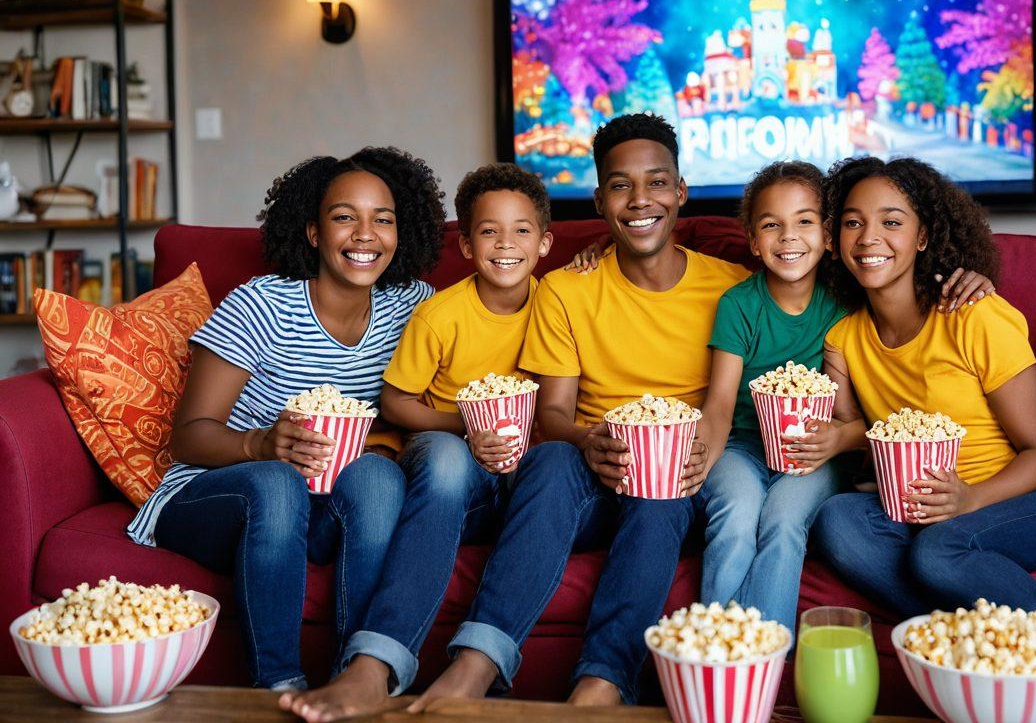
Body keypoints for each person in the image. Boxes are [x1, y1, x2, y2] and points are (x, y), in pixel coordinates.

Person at [408, 113, 748, 711]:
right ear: (598, 200)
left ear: (681, 192)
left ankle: (602, 683)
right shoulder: (567, 289)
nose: (640, 199)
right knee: (550, 460)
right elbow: (554, 412)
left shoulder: (732, 287)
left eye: (656, 182)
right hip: (589, 477)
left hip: (676, 485)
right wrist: (589, 439)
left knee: (661, 486)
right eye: (621, 185)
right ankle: (476, 664)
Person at [127, 147, 447, 689]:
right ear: (314, 233)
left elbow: (501, 307)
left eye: (383, 219)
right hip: (216, 495)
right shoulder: (260, 306)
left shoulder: (413, 306)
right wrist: (261, 446)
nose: (366, 234)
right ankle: (277, 686)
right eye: (345, 217)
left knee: (378, 476)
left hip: (320, 507)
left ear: (402, 231)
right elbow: (188, 437)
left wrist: (594, 259)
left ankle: (357, 682)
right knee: (277, 484)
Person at [279, 163, 554, 720]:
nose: (505, 245)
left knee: (557, 462)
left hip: (531, 475)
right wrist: (465, 425)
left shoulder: (562, 302)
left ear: (545, 243)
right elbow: (395, 400)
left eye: (522, 231)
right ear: (467, 245)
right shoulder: (440, 314)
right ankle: (374, 665)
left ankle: (472, 669)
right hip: (454, 469)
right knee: (448, 460)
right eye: (489, 232)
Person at [694, 161, 994, 638]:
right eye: (772, 226)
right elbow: (720, 405)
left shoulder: (848, 304)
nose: (788, 237)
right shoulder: (738, 305)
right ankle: (712, 649)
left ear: (829, 236)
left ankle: (765, 657)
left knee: (785, 519)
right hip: (743, 448)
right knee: (736, 513)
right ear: (753, 242)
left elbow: (859, 420)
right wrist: (700, 459)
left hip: (820, 455)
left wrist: (834, 440)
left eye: (805, 221)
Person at [811, 156, 1036, 625]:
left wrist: (969, 499)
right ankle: (958, 641)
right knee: (839, 520)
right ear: (834, 238)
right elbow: (861, 443)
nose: (868, 238)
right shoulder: (844, 339)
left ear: (922, 237)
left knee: (938, 552)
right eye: (852, 223)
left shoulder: (973, 316)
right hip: (934, 505)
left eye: (892, 222)